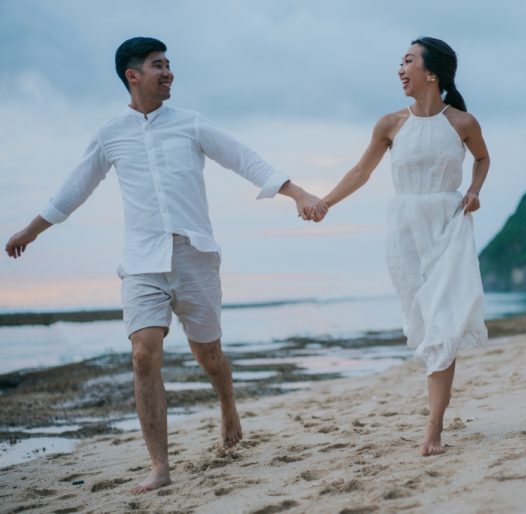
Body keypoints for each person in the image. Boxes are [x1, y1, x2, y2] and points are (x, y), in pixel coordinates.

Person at [4, 37, 326, 493]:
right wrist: (31, 231)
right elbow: (75, 187)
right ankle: (160, 466)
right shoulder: (110, 134)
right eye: (159, 65)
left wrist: (299, 194)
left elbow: (244, 158)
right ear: (133, 76)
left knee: (208, 355)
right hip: (141, 261)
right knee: (143, 354)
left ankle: (227, 405)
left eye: (170, 64)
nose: (168, 72)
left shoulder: (192, 124)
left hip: (194, 254)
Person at [306, 37, 489, 456]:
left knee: (444, 323)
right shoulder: (391, 124)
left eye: (407, 61)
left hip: (448, 226)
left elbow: (482, 159)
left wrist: (475, 191)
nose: (399, 69)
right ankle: (435, 421)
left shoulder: (462, 123)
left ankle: (433, 430)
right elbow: (360, 171)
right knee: (425, 323)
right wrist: (325, 203)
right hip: (405, 231)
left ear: (432, 73)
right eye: (399, 61)